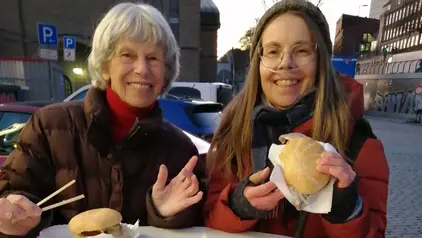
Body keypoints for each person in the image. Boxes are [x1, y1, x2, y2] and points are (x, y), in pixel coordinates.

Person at [0, 3, 206, 237]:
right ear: (105, 65)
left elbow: (198, 221)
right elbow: (13, 193)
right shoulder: (49, 127)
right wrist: (16, 215)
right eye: (127, 55)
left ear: (166, 71)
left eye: (153, 58)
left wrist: (163, 213)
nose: (142, 69)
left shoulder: (180, 149)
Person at [204, 0, 389, 237]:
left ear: (320, 60)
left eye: (301, 50)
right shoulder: (231, 133)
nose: (285, 63)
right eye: (272, 51)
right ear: (258, 64)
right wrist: (238, 206)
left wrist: (346, 209)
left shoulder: (360, 145)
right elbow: (207, 224)